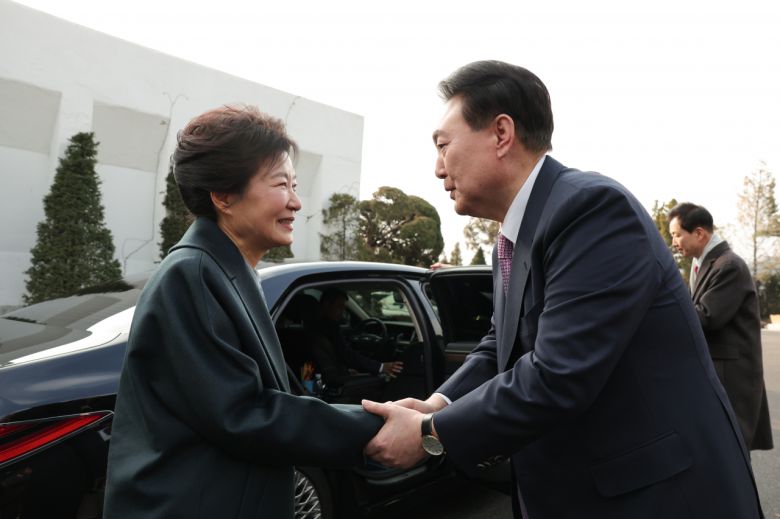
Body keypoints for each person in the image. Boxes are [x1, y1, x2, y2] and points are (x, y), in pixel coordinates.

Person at [362, 61, 764, 518]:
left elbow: (558, 373)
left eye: (443, 146)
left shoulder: (591, 210)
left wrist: (431, 432)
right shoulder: (511, 240)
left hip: (655, 497)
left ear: (501, 134)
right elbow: (499, 347)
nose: (437, 169)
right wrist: (436, 403)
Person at [103, 105, 381, 519]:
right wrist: (376, 426)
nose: (296, 201)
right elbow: (242, 413)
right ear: (223, 196)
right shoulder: (192, 274)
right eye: (281, 184)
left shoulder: (225, 268)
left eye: (295, 185)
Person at [669, 202, 773, 451]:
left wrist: (663, 305)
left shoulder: (728, 266)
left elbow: (707, 317)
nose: (673, 243)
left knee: (730, 450)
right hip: (720, 374)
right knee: (722, 451)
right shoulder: (705, 264)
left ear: (699, 233)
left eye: (677, 235)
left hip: (731, 378)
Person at [309, 287, 404, 380]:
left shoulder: (314, 327)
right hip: (336, 382)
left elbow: (337, 357)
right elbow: (347, 355)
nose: (342, 312)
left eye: (344, 308)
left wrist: (346, 370)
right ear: (327, 304)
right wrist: (381, 367)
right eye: (339, 307)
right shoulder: (328, 328)